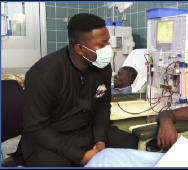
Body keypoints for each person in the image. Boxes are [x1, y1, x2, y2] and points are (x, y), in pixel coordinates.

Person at [20, 13, 139, 167]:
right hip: (50, 139)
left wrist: (100, 140)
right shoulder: (44, 73)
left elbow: (103, 106)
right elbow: (35, 127)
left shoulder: (102, 67)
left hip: (86, 132)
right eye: (102, 45)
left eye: (108, 41)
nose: (108, 48)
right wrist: (80, 156)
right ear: (80, 49)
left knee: (131, 143)